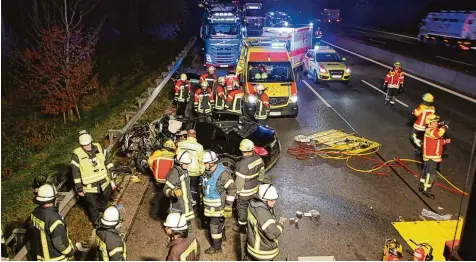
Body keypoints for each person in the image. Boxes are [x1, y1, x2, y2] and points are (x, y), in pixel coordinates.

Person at [71, 130, 114, 227]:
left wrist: (112, 170)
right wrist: (79, 188)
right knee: (92, 206)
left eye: (88, 144)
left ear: (91, 141)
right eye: (84, 145)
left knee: (105, 198)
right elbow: (75, 174)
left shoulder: (98, 147)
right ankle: (96, 222)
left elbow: (107, 158)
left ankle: (102, 207)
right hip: (89, 187)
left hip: (104, 182)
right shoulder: (77, 155)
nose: (87, 147)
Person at [201, 150, 237, 254]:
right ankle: (223, 236)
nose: (203, 165)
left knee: (214, 228)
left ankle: (216, 247)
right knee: (219, 223)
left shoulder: (223, 174)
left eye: (205, 163)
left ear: (211, 163)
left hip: (218, 208)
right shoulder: (207, 172)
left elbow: (232, 189)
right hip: (210, 207)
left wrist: (228, 206)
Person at [31, 184, 76, 261]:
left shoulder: (35, 212)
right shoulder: (54, 219)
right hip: (56, 258)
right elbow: (59, 243)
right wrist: (71, 252)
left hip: (42, 257)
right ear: (53, 199)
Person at [246, 184, 285, 261]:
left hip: (252, 246)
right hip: (263, 253)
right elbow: (273, 234)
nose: (274, 202)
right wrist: (281, 224)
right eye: (271, 200)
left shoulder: (253, 205)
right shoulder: (263, 214)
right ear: (264, 200)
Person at [234, 139, 266, 233]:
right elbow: (262, 172)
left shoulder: (242, 164)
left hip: (244, 193)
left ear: (243, 151)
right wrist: (259, 182)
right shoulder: (258, 159)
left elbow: (239, 182)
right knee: (251, 208)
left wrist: (236, 193)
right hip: (254, 189)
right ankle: (252, 224)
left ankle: (242, 229)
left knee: (242, 209)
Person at [420, 114, 450, 198]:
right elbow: (438, 134)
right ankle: (426, 190)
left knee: (426, 171)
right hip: (431, 156)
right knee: (431, 174)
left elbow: (436, 141)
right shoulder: (430, 130)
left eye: (437, 121)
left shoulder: (432, 129)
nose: (437, 123)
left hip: (432, 155)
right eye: (434, 122)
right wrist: (445, 126)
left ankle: (421, 185)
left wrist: (444, 141)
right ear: (430, 123)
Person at [176, 129, 205, 219]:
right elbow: (202, 160)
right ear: (195, 135)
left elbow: (177, 156)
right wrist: (202, 171)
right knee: (192, 188)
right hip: (194, 172)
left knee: (182, 187)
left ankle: (181, 204)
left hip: (182, 170)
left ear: (187, 135)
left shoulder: (181, 144)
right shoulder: (199, 147)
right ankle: (192, 204)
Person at [164, 151, 196, 223]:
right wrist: (173, 192)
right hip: (178, 204)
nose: (187, 165)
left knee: (186, 222)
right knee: (178, 223)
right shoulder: (174, 173)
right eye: (186, 163)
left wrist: (190, 199)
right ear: (180, 163)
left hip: (185, 203)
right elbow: (165, 190)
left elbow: (187, 187)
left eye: (188, 163)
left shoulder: (185, 171)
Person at [148, 140, 176, 220]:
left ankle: (154, 212)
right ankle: (163, 214)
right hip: (169, 180)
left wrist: (153, 169)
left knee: (160, 194)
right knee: (165, 196)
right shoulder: (174, 156)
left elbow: (150, 162)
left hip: (158, 179)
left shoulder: (157, 153)